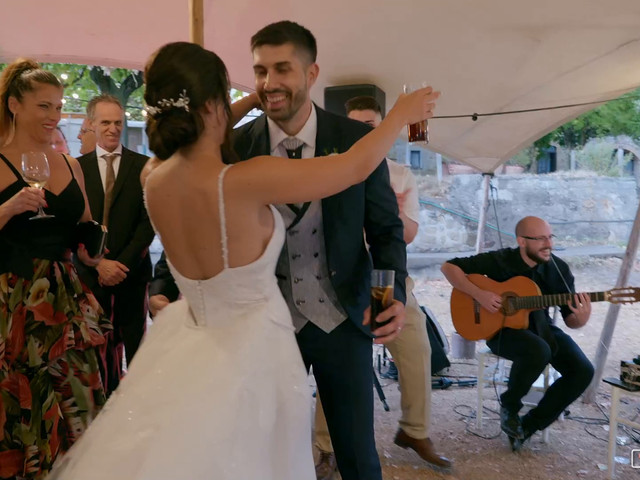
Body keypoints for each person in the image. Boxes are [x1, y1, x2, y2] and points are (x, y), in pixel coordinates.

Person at [46, 41, 438, 480]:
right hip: (258, 349)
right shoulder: (242, 181)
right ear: (213, 105)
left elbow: (193, 130)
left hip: (195, 345)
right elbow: (352, 167)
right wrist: (401, 114)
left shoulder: (153, 175)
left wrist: (255, 96)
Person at [313, 96, 451, 479]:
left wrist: (386, 207)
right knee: (337, 359)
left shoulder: (400, 174)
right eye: (359, 125)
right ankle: (327, 448)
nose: (366, 132)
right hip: (342, 279)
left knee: (418, 346)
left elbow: (405, 235)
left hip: (387, 279)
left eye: (372, 125)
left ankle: (414, 431)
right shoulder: (331, 167)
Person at [0, 58, 108, 479]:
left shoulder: (68, 165)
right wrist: (8, 208)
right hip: (14, 300)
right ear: (14, 105)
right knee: (24, 408)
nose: (54, 116)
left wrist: (92, 248)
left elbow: (82, 229)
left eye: (59, 106)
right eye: (44, 106)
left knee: (83, 403)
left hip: (66, 302)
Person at [441, 216, 594, 449]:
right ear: (522, 241)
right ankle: (509, 406)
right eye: (541, 239)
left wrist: (580, 318)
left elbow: (570, 319)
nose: (548, 244)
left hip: (541, 328)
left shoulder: (558, 269)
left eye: (550, 237)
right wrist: (479, 294)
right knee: (538, 350)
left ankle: (527, 427)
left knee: (583, 370)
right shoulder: (501, 261)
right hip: (500, 331)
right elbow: (449, 267)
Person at [74, 95, 154, 396]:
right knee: (96, 350)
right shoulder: (76, 167)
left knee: (136, 350)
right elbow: (73, 223)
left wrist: (121, 265)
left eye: (118, 122)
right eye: (105, 122)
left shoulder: (143, 166)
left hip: (131, 275)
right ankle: (102, 411)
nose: (112, 129)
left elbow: (149, 222)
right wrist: (98, 264)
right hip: (90, 275)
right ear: (91, 124)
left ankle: (137, 409)